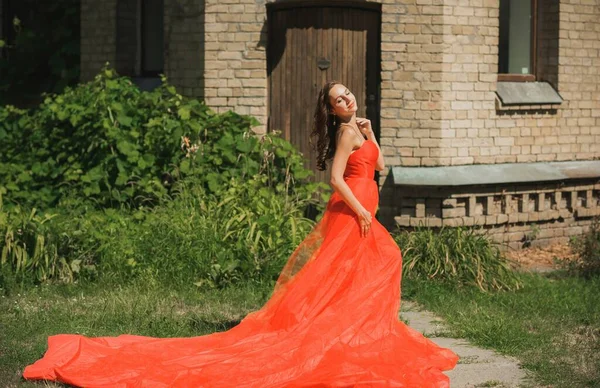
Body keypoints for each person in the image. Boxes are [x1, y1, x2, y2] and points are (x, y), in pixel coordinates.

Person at [23, 81, 459, 387]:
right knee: (373, 266)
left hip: (363, 210)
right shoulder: (345, 132)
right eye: (337, 99)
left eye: (346, 93)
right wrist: (362, 208)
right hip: (352, 212)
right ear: (331, 111)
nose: (345, 99)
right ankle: (339, 335)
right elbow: (335, 178)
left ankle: (352, 332)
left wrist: (371, 132)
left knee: (354, 277)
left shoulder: (359, 128)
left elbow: (378, 168)